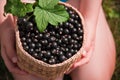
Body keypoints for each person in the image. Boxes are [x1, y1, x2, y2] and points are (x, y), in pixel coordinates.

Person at [0, 0, 116, 80]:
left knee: (94, 76)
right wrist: (5, 25)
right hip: (26, 3)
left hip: (79, 2)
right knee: (34, 72)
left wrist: (90, 19)